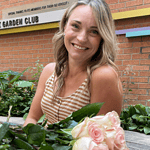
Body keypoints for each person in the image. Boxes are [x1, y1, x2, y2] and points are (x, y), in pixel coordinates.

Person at [23, 0, 123, 127]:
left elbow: (99, 140)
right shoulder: (49, 71)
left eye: (94, 31)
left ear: (102, 37)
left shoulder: (103, 76)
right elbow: (32, 118)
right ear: (64, 26)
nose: (81, 38)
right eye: (76, 26)